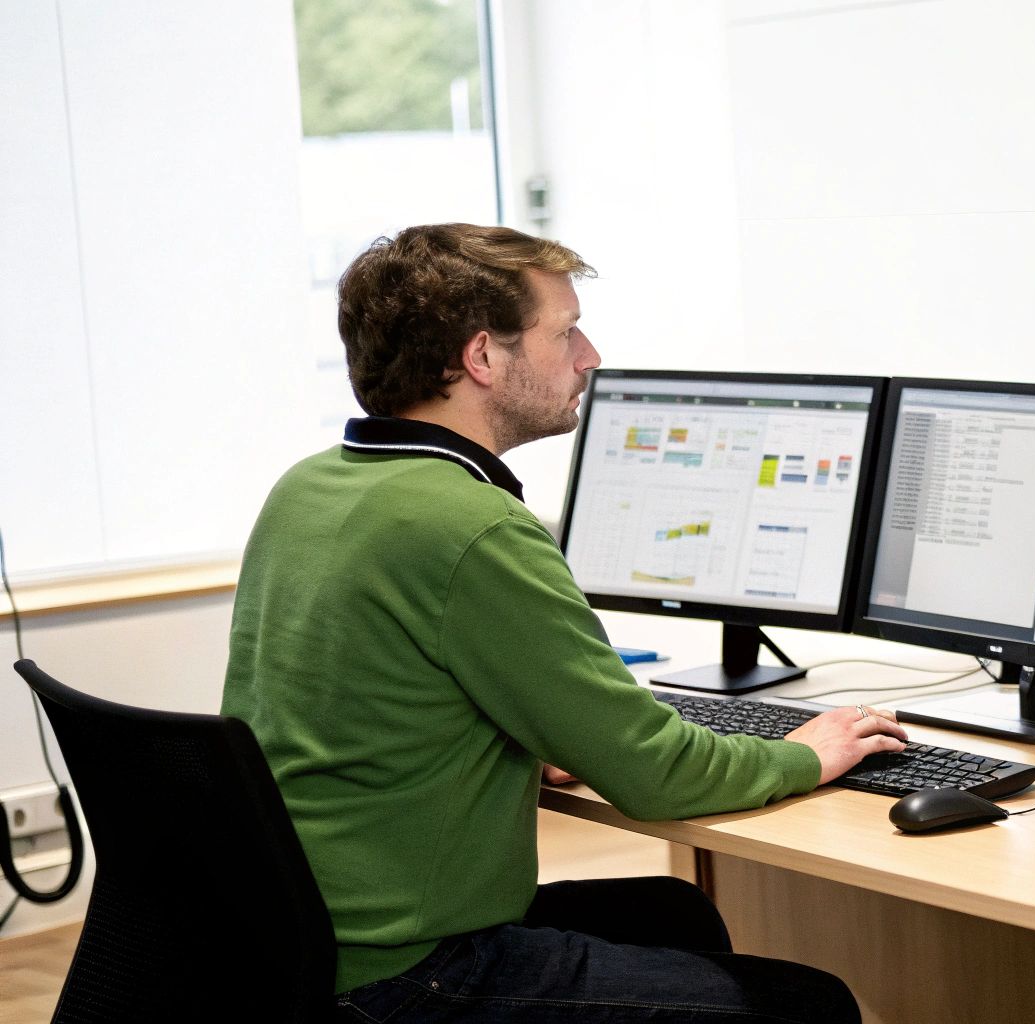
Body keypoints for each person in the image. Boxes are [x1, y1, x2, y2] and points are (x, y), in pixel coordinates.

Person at [221, 223, 908, 1022]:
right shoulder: (469, 526)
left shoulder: (310, 488)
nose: (590, 357)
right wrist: (800, 755)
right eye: (566, 331)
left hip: (294, 939)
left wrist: (506, 743)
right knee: (808, 1005)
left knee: (675, 915)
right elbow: (654, 775)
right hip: (403, 971)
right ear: (481, 358)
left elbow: (353, 703)